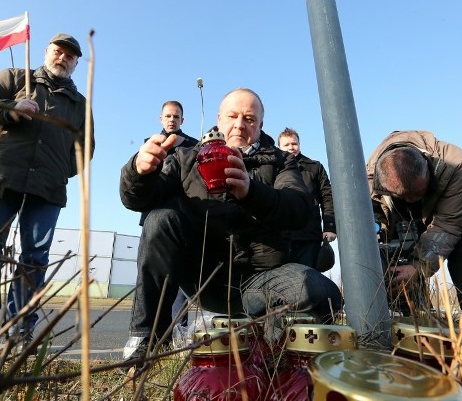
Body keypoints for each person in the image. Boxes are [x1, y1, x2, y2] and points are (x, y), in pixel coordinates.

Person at [120, 88, 343, 364]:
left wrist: (252, 193)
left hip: (260, 279)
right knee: (159, 219)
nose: (240, 124)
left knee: (323, 293)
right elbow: (137, 200)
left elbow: (299, 208)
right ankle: (147, 338)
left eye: (249, 119)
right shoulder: (186, 156)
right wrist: (139, 171)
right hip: (203, 277)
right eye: (232, 116)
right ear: (219, 119)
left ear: (260, 126)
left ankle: (273, 354)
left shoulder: (281, 161)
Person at [0, 33, 95, 350]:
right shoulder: (16, 77)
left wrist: (56, 170)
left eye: (70, 55)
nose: (62, 57)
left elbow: (85, 147)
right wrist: (11, 108)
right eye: (57, 51)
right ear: (46, 52)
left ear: (76, 63)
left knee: (34, 259)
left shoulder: (79, 104)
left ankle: (20, 329)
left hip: (47, 189)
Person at [366, 130, 462, 321]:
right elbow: (372, 217)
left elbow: (449, 226)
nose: (412, 199)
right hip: (417, 216)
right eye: (405, 196)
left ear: (427, 168)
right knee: (394, 253)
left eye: (417, 192)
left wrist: (419, 266)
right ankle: (410, 317)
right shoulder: (368, 178)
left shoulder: (457, 164)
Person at [140, 100, 199, 328]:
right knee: (153, 275)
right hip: (154, 218)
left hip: (183, 219)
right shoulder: (150, 145)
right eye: (168, 116)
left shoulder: (193, 146)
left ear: (182, 120)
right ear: (161, 119)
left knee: (181, 277)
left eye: (176, 116)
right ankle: (150, 331)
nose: (172, 120)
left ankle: (179, 329)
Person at [277, 127, 337, 270]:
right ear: (279, 147)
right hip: (281, 236)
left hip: (309, 235)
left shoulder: (315, 167)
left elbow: (327, 197)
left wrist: (330, 227)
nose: (291, 147)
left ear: (299, 144)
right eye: (286, 145)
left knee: (308, 278)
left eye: (294, 143)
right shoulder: (273, 168)